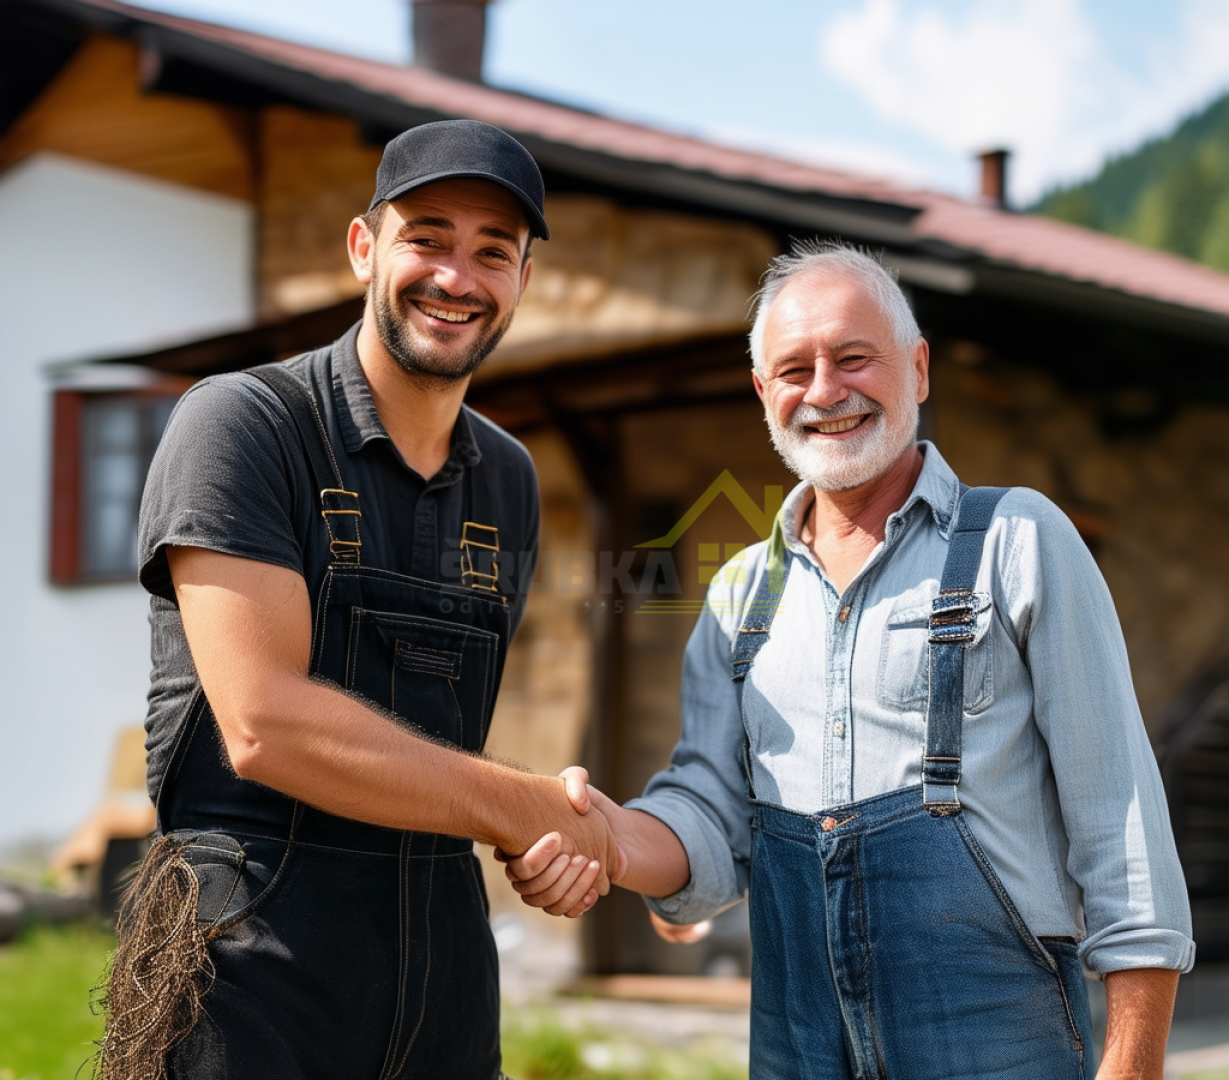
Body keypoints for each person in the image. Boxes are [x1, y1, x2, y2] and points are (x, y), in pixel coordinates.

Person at [506, 241, 1195, 1080]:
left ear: (917, 369)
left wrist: (1134, 1063)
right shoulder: (736, 598)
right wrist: (601, 835)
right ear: (764, 393)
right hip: (798, 1044)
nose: (824, 390)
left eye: (853, 358)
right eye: (794, 368)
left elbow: (1118, 818)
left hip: (996, 1041)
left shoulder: (1017, 542)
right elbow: (710, 819)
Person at [98, 120, 622, 1080]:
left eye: (492, 252)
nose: (456, 277)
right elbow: (266, 724)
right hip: (249, 956)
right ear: (363, 247)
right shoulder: (244, 424)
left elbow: (444, 749)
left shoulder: (507, 479)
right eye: (426, 238)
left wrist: (549, 844)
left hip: (446, 970)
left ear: (522, 285)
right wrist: (525, 805)